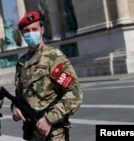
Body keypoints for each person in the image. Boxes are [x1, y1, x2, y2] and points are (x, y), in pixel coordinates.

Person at [11, 11, 83, 141]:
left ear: (42, 30)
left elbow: (75, 94)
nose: (31, 33)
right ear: (22, 34)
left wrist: (49, 119)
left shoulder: (54, 57)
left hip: (53, 134)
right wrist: (15, 108)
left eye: (34, 29)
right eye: (26, 31)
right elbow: (19, 96)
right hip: (32, 133)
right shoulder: (21, 63)